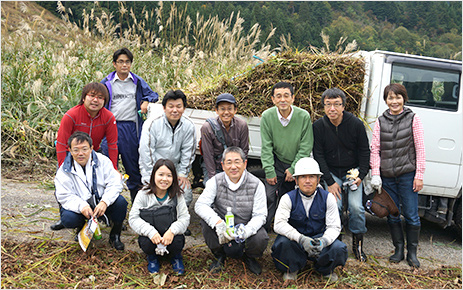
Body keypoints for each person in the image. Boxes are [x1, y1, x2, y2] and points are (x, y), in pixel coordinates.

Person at [370, 83, 425, 268]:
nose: (394, 101)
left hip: (407, 174)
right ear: (386, 100)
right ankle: (399, 249)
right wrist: (376, 174)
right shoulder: (381, 121)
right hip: (387, 177)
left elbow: (420, 148)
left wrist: (419, 174)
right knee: (392, 214)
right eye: (390, 98)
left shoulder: (413, 118)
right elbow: (375, 149)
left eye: (397, 97)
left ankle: (413, 253)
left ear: (404, 98)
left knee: (411, 215)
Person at [51, 82, 119, 231]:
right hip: (71, 154)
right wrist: (65, 168)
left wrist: (114, 168)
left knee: (99, 185)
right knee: (64, 186)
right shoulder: (71, 115)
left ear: (105, 101)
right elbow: (62, 144)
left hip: (94, 152)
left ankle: (107, 216)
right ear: (84, 98)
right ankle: (64, 216)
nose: (95, 100)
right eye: (92, 96)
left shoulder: (108, 117)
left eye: (100, 97)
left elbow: (113, 144)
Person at [313, 88, 370, 261]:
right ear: (323, 107)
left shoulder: (356, 124)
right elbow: (318, 155)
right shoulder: (318, 126)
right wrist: (329, 181)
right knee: (335, 206)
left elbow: (364, 152)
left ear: (343, 106)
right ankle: (335, 242)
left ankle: (358, 246)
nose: (332, 109)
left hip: (352, 173)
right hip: (331, 173)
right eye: (328, 105)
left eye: (336, 104)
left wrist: (361, 174)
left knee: (356, 207)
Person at [271, 157, 347, 282]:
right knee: (282, 244)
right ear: (296, 180)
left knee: (338, 248)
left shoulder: (328, 198)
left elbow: (334, 227)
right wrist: (300, 239)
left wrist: (324, 241)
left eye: (312, 177)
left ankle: (324, 269)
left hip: (318, 240)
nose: (307, 181)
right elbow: (278, 224)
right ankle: (292, 268)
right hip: (295, 241)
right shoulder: (287, 198)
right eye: (303, 177)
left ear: (318, 180)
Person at [194, 146, 268, 275]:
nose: (233, 167)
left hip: (245, 225)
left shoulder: (256, 184)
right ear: (223, 165)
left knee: (261, 236)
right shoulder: (215, 181)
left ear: (245, 164)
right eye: (229, 162)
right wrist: (217, 223)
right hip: (222, 225)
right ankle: (219, 255)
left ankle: (250, 257)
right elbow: (200, 205)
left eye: (237, 162)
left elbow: (260, 215)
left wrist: (246, 231)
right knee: (206, 224)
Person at [101, 47, 159, 203]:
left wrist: (146, 101)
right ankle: (109, 206)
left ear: (131, 64)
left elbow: (153, 95)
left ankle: (137, 205)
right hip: (110, 128)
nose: (124, 65)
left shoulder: (137, 82)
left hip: (130, 129)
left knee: (133, 167)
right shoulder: (107, 83)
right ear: (114, 64)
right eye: (120, 62)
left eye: (127, 62)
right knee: (107, 167)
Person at [54, 131, 128, 250]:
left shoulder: (103, 161)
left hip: (101, 201)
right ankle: (81, 228)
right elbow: (64, 195)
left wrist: (105, 202)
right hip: (81, 205)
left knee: (121, 203)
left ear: (91, 148)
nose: (80, 153)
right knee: (68, 219)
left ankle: (115, 234)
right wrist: (82, 206)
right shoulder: (64, 169)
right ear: (70, 150)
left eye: (84, 149)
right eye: (76, 150)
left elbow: (115, 183)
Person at [139, 89, 196, 235]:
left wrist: (183, 173)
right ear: (164, 108)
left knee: (186, 194)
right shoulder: (152, 124)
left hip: (175, 168)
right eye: (171, 106)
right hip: (153, 168)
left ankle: (176, 222)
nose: (175, 110)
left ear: (184, 108)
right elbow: (146, 152)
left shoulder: (188, 126)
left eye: (179, 106)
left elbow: (188, 152)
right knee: (152, 194)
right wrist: (152, 176)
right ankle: (153, 222)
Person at [260, 81, 314, 231]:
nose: (282, 99)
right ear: (273, 99)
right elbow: (266, 146)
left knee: (292, 198)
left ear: (293, 98)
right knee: (269, 196)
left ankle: (288, 228)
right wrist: (269, 170)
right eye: (278, 96)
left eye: (286, 96)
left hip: (298, 163)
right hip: (277, 161)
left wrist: (293, 168)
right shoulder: (267, 116)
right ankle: (263, 228)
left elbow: (306, 146)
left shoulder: (303, 116)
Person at [129, 159, 190, 275]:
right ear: (154, 176)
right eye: (160, 175)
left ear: (173, 178)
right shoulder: (143, 194)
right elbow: (133, 218)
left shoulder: (177, 195)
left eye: (169, 175)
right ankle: (152, 258)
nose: (164, 179)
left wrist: (172, 231)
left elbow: (184, 217)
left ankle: (176, 257)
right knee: (145, 242)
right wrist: (150, 232)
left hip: (169, 236)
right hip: (152, 236)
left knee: (178, 240)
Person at [200, 93, 249, 184]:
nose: (226, 112)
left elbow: (244, 151)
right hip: (215, 167)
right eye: (222, 109)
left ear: (235, 110)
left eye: (229, 109)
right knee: (212, 189)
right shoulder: (207, 128)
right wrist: (212, 179)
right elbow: (208, 155)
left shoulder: (242, 125)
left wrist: (240, 173)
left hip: (234, 166)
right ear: (216, 110)